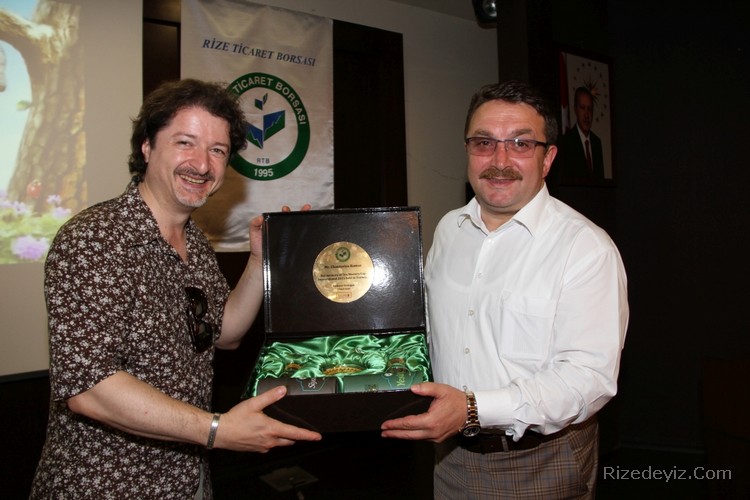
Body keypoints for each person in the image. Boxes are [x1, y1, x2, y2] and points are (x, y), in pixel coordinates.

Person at [31, 79, 321, 498]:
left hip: (187, 478)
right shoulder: (94, 238)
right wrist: (217, 429)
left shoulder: (196, 242)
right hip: (106, 485)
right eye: (186, 143)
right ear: (147, 146)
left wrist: (262, 258)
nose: (202, 165)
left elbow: (225, 333)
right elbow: (89, 390)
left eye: (217, 150)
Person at [381, 81, 628, 499]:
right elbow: (425, 334)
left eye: (520, 144)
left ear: (548, 158)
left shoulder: (585, 248)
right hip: (448, 456)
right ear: (467, 150)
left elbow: (587, 378)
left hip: (539, 462)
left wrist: (472, 409)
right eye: (484, 143)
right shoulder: (448, 230)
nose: (499, 161)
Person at [559, 86, 605, 181]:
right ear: (575, 109)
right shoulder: (566, 142)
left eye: (589, 109)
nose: (586, 115)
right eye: (582, 108)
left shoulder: (596, 142)